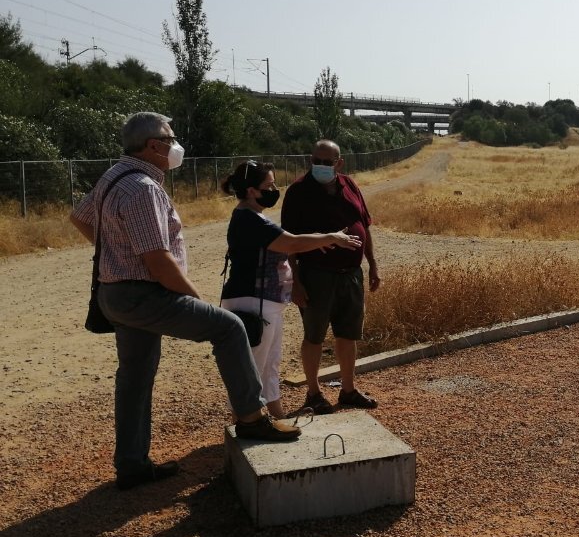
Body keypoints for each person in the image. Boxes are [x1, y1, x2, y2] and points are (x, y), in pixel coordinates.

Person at [70, 112, 301, 491]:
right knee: (228, 327)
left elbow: (78, 217)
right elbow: (158, 261)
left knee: (135, 376)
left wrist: (116, 249)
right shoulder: (143, 188)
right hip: (143, 294)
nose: (175, 144)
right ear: (154, 147)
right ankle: (250, 418)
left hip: (114, 295)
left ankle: (131, 464)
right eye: (170, 137)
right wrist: (194, 298)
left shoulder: (113, 176)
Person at [219, 159, 362, 419]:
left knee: (269, 364)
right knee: (252, 367)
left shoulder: (254, 216)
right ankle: (246, 421)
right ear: (252, 190)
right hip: (253, 301)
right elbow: (291, 243)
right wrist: (331, 237)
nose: (274, 190)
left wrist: (318, 242)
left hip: (266, 301)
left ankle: (275, 416)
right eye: (269, 185)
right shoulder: (249, 219)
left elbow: (289, 244)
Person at [281, 140, 380, 413]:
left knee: (348, 335)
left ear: (339, 163)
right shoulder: (299, 192)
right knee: (314, 336)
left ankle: (347, 391)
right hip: (316, 277)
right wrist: (296, 282)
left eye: (327, 162)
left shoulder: (350, 186)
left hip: (351, 274)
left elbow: (365, 226)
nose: (321, 166)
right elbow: (288, 241)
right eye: (316, 160)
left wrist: (372, 265)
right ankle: (314, 394)